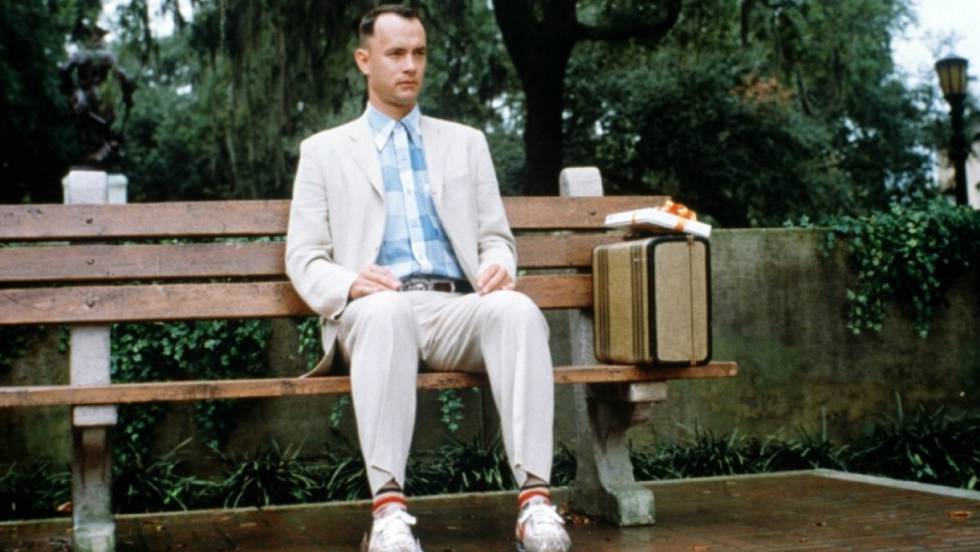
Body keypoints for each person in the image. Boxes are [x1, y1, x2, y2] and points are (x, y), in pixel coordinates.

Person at [285, 5, 571, 552]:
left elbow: (496, 238)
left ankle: (535, 504)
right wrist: (350, 282)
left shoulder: (465, 142)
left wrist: (499, 265)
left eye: (418, 53)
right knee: (386, 310)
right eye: (395, 53)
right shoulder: (323, 152)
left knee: (517, 310)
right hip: (374, 310)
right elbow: (304, 257)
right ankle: (388, 513)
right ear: (364, 60)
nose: (410, 65)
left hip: (454, 308)